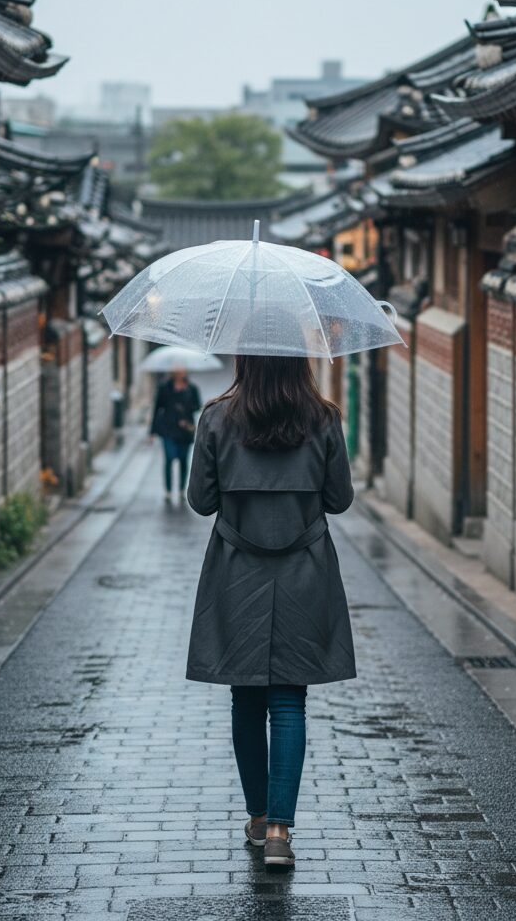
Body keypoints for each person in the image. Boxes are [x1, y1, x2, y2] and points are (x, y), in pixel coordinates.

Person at [185, 355, 355, 868]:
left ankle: (259, 818)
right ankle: (281, 831)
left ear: (245, 360)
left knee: (245, 699)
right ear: (297, 362)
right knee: (288, 702)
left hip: (237, 570)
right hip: (305, 569)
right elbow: (339, 499)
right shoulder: (324, 418)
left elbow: (201, 500)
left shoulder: (217, 418)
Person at [150, 368, 202, 501]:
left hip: (185, 430)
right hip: (168, 429)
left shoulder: (191, 388)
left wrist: (186, 404)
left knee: (183, 460)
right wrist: (152, 431)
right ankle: (168, 490)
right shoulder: (164, 388)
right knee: (169, 458)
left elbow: (198, 406)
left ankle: (181, 489)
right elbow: (157, 408)